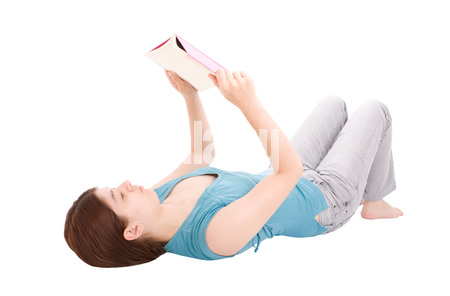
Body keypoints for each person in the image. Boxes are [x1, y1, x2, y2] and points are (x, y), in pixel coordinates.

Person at [64, 69, 403, 268]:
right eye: (118, 195)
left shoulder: (155, 202)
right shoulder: (212, 236)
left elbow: (202, 153)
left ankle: (369, 189)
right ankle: (371, 202)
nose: (125, 183)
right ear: (133, 231)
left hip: (281, 175)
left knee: (335, 105)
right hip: (326, 200)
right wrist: (247, 103)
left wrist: (189, 94)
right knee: (376, 111)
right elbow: (289, 172)